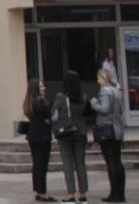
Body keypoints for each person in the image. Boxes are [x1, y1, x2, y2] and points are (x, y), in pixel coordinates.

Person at [52, 70, 89, 203]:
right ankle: (83, 193)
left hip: (65, 133)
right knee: (80, 163)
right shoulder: (83, 97)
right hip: (81, 132)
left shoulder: (60, 97)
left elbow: (53, 115)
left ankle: (70, 194)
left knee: (67, 163)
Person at [91, 68, 126, 203]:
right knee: (117, 161)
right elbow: (121, 110)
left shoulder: (104, 91)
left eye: (99, 78)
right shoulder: (117, 91)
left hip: (107, 130)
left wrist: (94, 103)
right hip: (117, 129)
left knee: (111, 162)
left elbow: (104, 109)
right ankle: (120, 194)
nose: (97, 81)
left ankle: (115, 194)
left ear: (103, 78)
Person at [24, 78, 56, 202]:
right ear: (36, 89)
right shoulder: (41, 101)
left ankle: (38, 190)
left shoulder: (29, 102)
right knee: (42, 164)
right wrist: (48, 120)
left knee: (36, 164)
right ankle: (42, 192)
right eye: (41, 86)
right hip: (42, 136)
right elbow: (50, 115)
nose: (44, 88)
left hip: (33, 135)